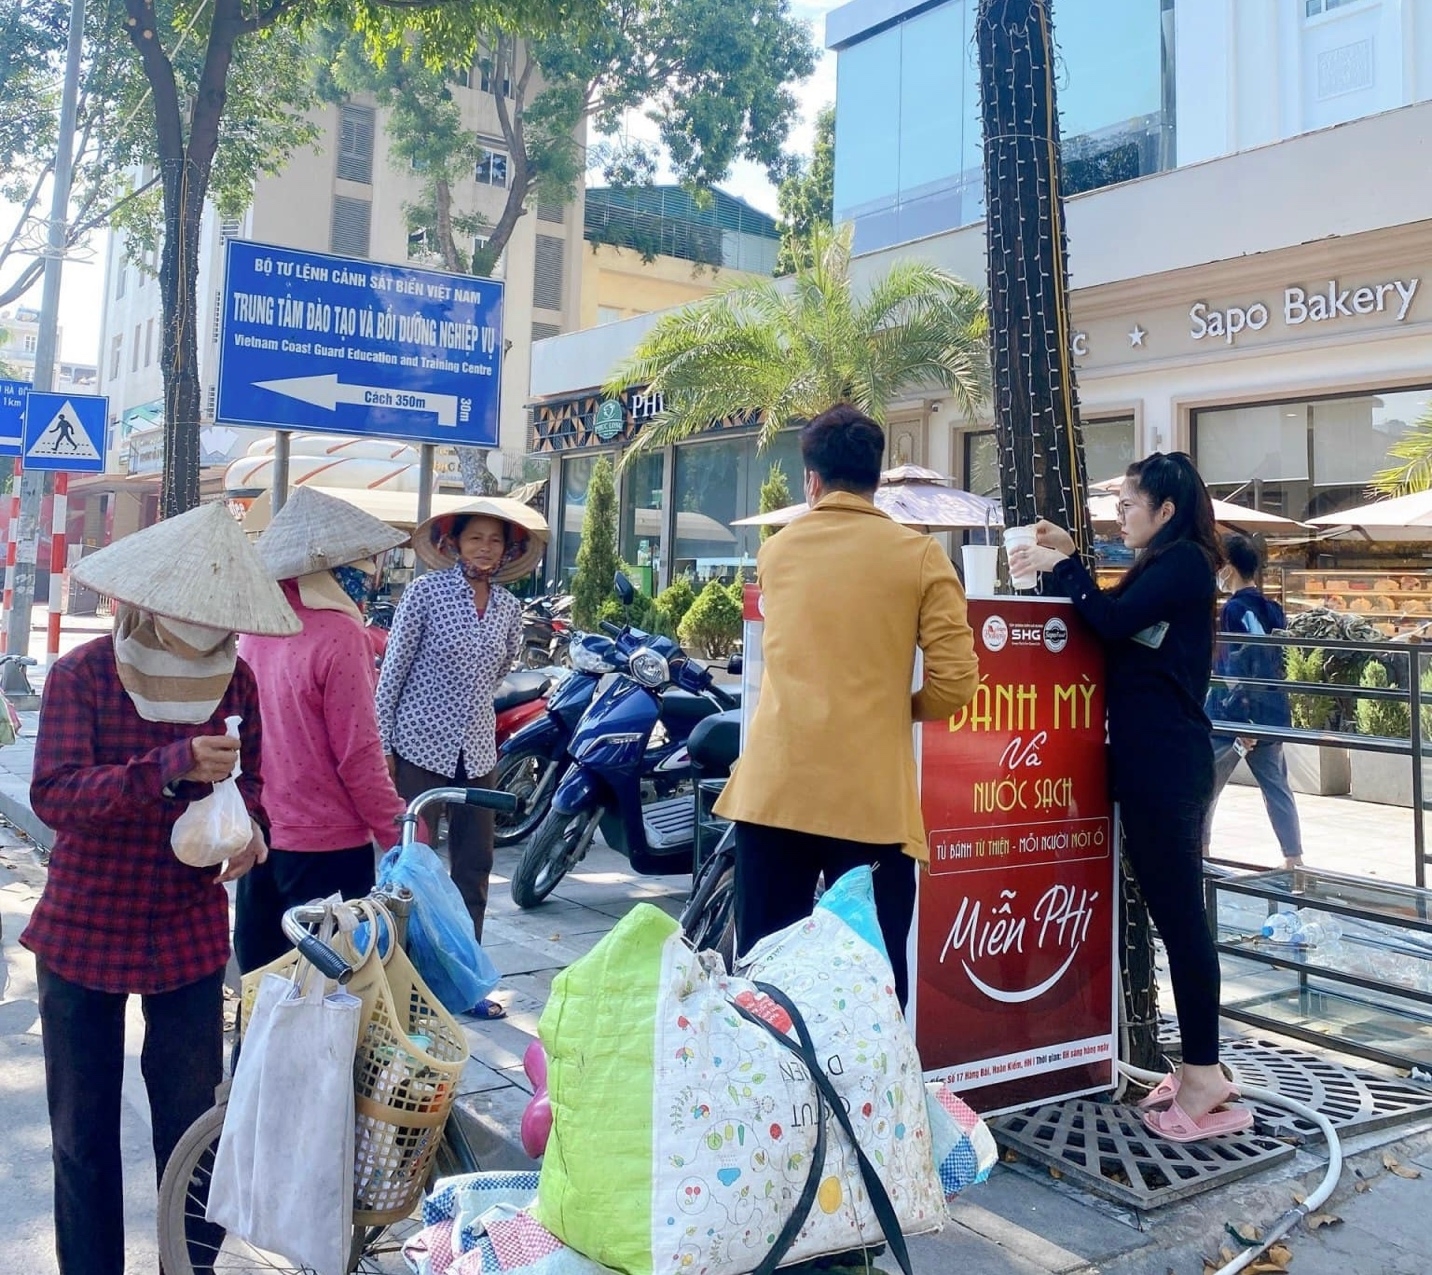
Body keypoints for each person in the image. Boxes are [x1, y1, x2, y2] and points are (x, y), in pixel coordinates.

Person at [20, 502, 300, 1275]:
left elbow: (259, 784)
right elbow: (57, 796)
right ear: (147, 598)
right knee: (82, 1137)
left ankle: (189, 1265)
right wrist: (169, 763)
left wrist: (255, 832)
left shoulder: (236, 679)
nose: (203, 622)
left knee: (192, 1130)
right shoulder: (83, 674)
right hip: (82, 928)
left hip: (188, 930)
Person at [1008, 452, 1250, 1144]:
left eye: (1129, 502)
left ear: (1165, 510)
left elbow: (1110, 622)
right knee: (1177, 915)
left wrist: (1063, 566)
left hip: (1166, 765)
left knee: (1181, 919)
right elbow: (1120, 618)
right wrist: (1072, 556)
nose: (1122, 512)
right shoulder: (1168, 563)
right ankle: (1200, 1068)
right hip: (1153, 761)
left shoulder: (1182, 565)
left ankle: (1205, 1074)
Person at [714, 403, 981, 1009]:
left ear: (812, 477)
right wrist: (896, 708)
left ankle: (773, 1100)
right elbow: (958, 683)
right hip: (869, 806)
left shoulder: (777, 553)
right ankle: (865, 1102)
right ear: (877, 479)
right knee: (873, 982)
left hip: (773, 793)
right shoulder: (918, 556)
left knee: (763, 975)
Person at [376, 497, 548, 1019]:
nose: (485, 548)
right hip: (418, 746)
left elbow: (500, 670)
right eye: (476, 538)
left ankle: (464, 983)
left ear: (508, 550)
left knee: (474, 868)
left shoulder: (509, 608)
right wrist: (383, 745)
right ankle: (400, 981)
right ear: (454, 543)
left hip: (476, 751)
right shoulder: (425, 594)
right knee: (410, 868)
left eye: (495, 540)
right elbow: (393, 672)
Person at [234, 486, 410, 973]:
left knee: (264, 990)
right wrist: (396, 833)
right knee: (327, 1003)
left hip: (262, 836)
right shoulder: (341, 635)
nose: (370, 577)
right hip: (327, 849)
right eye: (363, 565)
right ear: (333, 569)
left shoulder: (259, 627)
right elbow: (358, 753)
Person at [1203, 533, 1304, 870]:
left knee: (1205, 786)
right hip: (1270, 715)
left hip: (1233, 716)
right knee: (1276, 788)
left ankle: (1199, 853)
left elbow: (1237, 666)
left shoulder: (1232, 610)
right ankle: (1294, 858)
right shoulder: (1273, 608)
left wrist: (1241, 718)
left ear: (1228, 568)